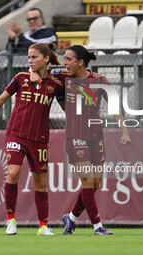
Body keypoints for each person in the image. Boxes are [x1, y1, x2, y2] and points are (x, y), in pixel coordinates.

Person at [30, 45, 131, 235]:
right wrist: (31, 71)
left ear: (80, 62)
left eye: (69, 59)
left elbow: (114, 106)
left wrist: (124, 130)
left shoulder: (99, 80)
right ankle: (98, 226)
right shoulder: (63, 76)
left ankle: (72, 218)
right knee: (87, 180)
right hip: (75, 136)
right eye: (64, 59)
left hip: (95, 136)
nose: (65, 63)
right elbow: (39, 66)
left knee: (95, 184)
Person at [0, 42, 64, 236]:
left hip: (39, 138)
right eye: (29, 58)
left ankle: (43, 226)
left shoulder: (56, 83)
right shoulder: (21, 78)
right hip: (16, 133)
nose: (30, 61)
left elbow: (68, 91)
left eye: (34, 57)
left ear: (46, 58)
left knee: (40, 182)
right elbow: (1, 99)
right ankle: (11, 221)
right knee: (13, 173)